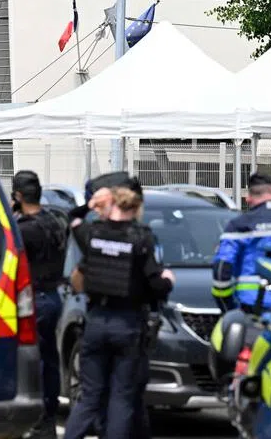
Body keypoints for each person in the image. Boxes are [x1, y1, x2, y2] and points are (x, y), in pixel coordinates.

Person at [63, 186, 174, 439]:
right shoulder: (141, 239)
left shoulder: (93, 234)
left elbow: (73, 218)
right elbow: (156, 285)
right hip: (127, 324)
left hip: (96, 321)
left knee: (90, 396)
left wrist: (91, 204)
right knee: (121, 397)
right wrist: (168, 279)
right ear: (136, 208)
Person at [10, 171, 67, 439]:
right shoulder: (55, 221)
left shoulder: (23, 230)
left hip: (35, 299)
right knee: (49, 358)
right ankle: (48, 415)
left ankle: (39, 418)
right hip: (53, 296)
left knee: (34, 360)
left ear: (18, 196)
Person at [212, 172, 271, 312]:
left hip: (249, 309)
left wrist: (229, 308)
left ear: (248, 198)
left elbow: (222, 268)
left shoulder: (238, 226)